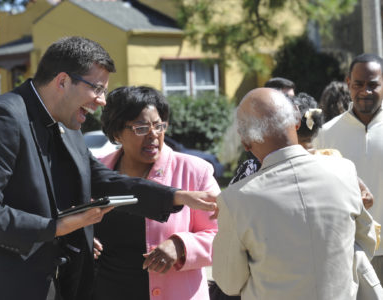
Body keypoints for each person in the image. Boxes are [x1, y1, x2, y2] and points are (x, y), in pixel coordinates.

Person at [0, 37, 217, 300]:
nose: (102, 100)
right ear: (63, 81)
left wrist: (176, 197)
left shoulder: (67, 123)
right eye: (96, 88)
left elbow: (102, 180)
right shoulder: (2, 118)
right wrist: (56, 227)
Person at [212, 87, 377, 299]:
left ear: (245, 142)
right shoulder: (344, 171)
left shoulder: (235, 200)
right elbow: (366, 241)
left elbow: (229, 282)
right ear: (297, 121)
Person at [91, 86, 220, 300]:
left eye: (159, 126)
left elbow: (224, 235)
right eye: (141, 128)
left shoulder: (194, 171)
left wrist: (181, 245)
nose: (153, 135)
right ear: (116, 133)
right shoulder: (98, 171)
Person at [314, 53, 383, 283]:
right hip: (347, 253)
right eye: (358, 84)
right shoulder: (325, 135)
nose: (365, 91)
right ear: (348, 83)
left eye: (373, 85)